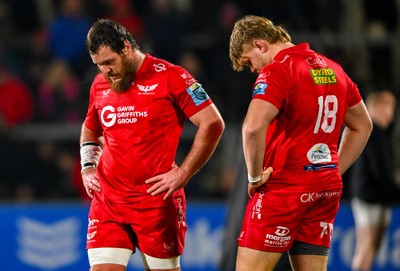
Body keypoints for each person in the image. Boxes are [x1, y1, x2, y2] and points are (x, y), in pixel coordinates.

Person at [228, 15, 372, 271]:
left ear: (260, 45)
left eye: (249, 61)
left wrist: (253, 177)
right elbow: (363, 125)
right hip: (325, 189)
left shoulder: (278, 70)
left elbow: (251, 128)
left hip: (285, 187)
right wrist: (333, 170)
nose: (253, 70)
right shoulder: (333, 68)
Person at [79, 19, 224, 271]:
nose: (105, 71)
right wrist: (87, 166)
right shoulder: (100, 84)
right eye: (99, 65)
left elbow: (212, 123)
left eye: (109, 62)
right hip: (109, 200)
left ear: (126, 47)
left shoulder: (171, 76)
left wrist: (184, 172)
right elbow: (91, 127)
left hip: (155, 201)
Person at [349, 90, 400, 271]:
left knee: (372, 245)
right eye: (387, 105)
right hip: (368, 196)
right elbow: (378, 170)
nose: (391, 112)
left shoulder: (382, 133)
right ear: (375, 107)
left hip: (377, 196)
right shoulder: (370, 132)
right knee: (367, 246)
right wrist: (395, 191)